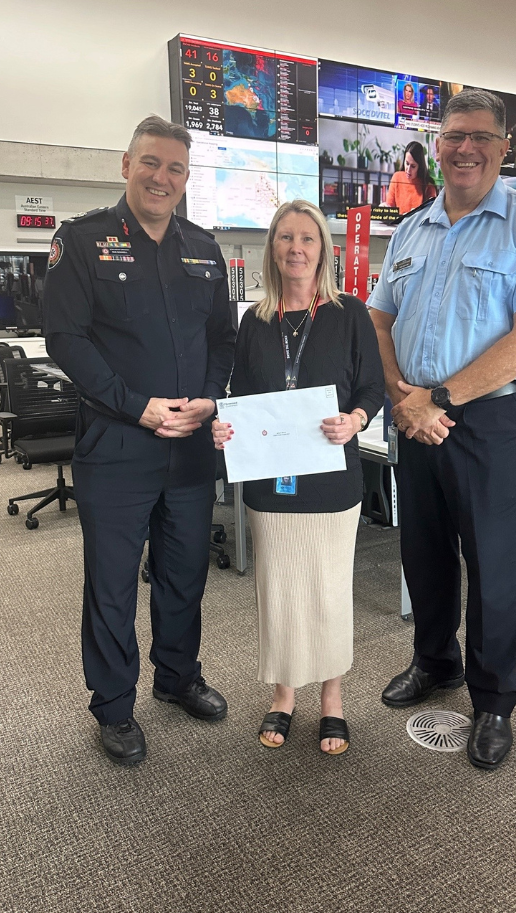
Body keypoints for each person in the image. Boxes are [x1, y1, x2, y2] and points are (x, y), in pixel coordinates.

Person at [368, 88, 516, 769]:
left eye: (481, 138)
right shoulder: (409, 228)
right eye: (454, 134)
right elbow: (378, 318)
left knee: (491, 560)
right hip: (415, 411)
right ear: (437, 144)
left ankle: (493, 699)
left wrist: (438, 396)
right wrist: (405, 397)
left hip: (488, 418)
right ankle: (436, 661)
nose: (465, 148)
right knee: (423, 551)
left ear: (503, 149)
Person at [40, 115, 236, 766]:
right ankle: (115, 707)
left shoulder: (204, 249)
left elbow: (222, 339)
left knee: (184, 575)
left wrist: (209, 397)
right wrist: (136, 407)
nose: (162, 177)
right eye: (151, 163)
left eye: (175, 168)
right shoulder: (85, 240)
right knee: (114, 584)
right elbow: (65, 338)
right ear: (127, 165)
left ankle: (178, 678)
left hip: (189, 448)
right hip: (118, 445)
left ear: (186, 178)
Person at [209, 200, 383, 754]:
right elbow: (239, 397)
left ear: (323, 249)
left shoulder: (349, 313)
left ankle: (332, 697)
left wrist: (355, 420)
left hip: (333, 481)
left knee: (329, 590)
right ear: (273, 249)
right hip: (272, 483)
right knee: (278, 590)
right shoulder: (254, 322)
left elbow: (372, 389)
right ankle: (284, 694)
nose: (296, 248)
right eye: (285, 238)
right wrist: (225, 427)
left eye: (307, 238)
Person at [386, 138, 436, 214]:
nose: (408, 170)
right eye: (407, 163)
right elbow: (389, 207)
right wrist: (385, 208)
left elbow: (431, 214)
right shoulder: (397, 177)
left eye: (413, 166)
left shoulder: (428, 185)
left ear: (419, 166)